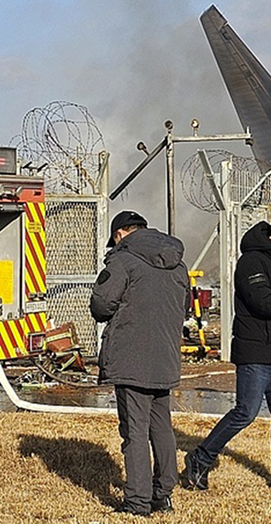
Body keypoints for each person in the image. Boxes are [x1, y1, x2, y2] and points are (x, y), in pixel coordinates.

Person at [184, 208, 271, 492]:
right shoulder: (251, 262)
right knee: (245, 412)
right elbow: (264, 303)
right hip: (257, 352)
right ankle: (200, 458)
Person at [90, 210, 189, 516]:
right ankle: (163, 494)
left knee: (134, 431)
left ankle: (137, 502)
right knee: (162, 427)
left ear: (120, 234)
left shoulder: (122, 260)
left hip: (132, 357)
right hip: (166, 357)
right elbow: (183, 307)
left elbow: (101, 305)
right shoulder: (178, 262)